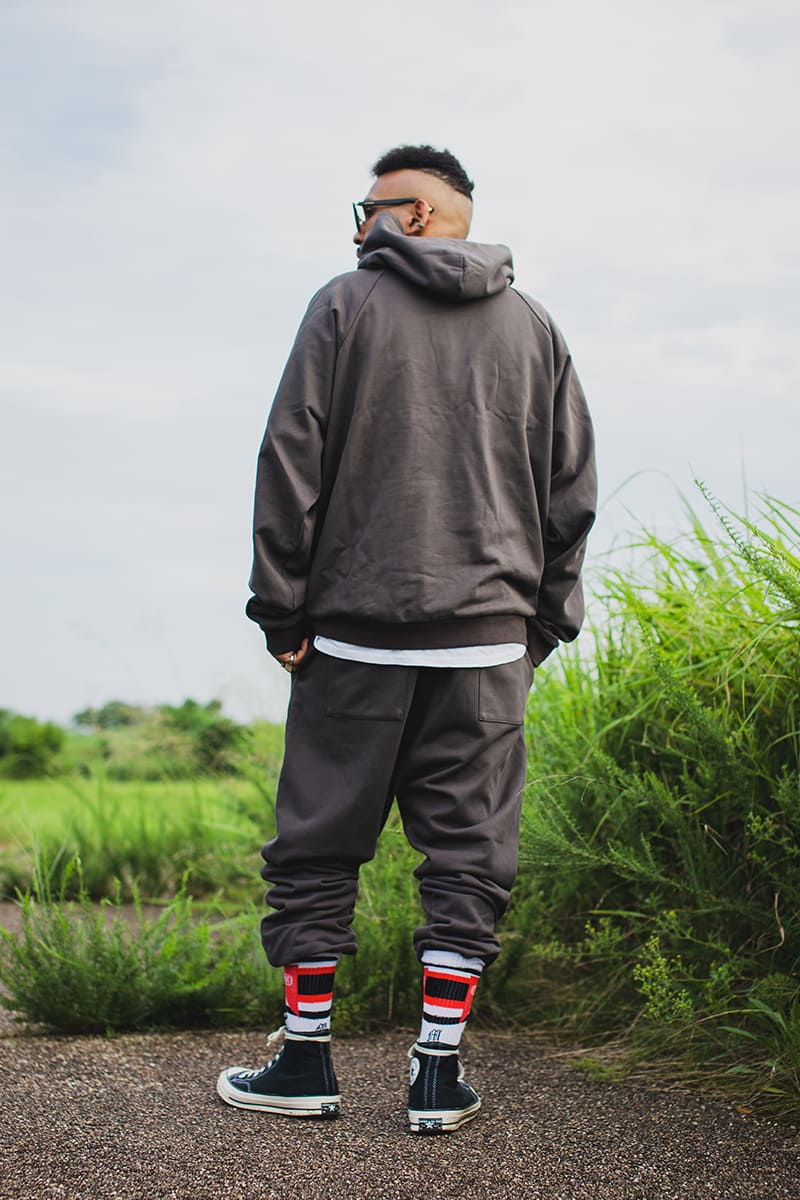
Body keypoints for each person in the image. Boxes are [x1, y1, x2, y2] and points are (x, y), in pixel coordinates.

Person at [217, 145, 596, 1133]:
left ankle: (306, 1062)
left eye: (368, 207)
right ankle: (436, 1074)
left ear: (417, 214)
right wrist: (538, 626)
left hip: (353, 638)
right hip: (488, 648)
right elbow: (571, 491)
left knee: (316, 845)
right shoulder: (534, 326)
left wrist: (282, 611)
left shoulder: (344, 304)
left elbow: (289, 460)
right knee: (469, 855)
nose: (356, 227)